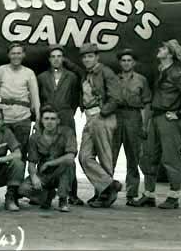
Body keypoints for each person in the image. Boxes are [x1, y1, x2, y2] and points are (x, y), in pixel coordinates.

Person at [131, 40, 181, 209]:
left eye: (163, 48)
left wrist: (178, 114)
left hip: (168, 120)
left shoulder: (176, 73)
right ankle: (149, 195)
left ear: (170, 54)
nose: (159, 50)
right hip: (155, 116)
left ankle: (174, 197)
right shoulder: (161, 70)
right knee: (149, 156)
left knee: (170, 158)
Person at [37, 44, 84, 205]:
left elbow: (75, 97)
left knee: (69, 153)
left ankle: (72, 193)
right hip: (47, 115)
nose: (56, 59)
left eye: (59, 56)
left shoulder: (72, 77)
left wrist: (68, 112)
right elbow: (39, 99)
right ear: (49, 60)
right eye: (53, 57)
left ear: (63, 58)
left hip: (65, 115)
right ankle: (44, 191)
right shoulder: (42, 77)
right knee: (44, 150)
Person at [77, 42, 121, 208]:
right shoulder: (87, 74)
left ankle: (104, 196)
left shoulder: (105, 72)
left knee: (104, 157)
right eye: (84, 57)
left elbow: (115, 96)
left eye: (90, 56)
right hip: (90, 116)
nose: (87, 60)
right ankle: (109, 186)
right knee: (84, 157)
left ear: (97, 57)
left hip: (102, 117)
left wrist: (103, 113)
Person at [0, 42, 41, 162]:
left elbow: (35, 97)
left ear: (23, 55)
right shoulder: (1, 70)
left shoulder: (29, 73)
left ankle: (17, 180)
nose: (16, 56)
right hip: (3, 119)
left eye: (18, 53)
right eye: (13, 53)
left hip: (22, 119)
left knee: (20, 154)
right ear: (9, 55)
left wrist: (38, 118)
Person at [19, 105, 77, 212]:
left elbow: (70, 156)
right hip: (44, 174)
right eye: (46, 119)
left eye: (53, 119)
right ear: (41, 120)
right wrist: (33, 177)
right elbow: (31, 162)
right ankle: (46, 195)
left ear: (58, 121)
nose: (49, 122)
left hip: (61, 171)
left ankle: (63, 199)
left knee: (69, 164)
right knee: (23, 189)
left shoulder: (67, 133)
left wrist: (50, 163)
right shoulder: (35, 138)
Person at [112, 49, 151, 206]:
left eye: (129, 60)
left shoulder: (141, 80)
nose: (126, 63)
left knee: (133, 157)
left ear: (133, 63)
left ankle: (131, 193)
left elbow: (147, 103)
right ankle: (105, 190)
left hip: (133, 118)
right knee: (110, 156)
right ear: (120, 63)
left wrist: (144, 124)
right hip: (116, 117)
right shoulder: (114, 79)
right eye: (123, 60)